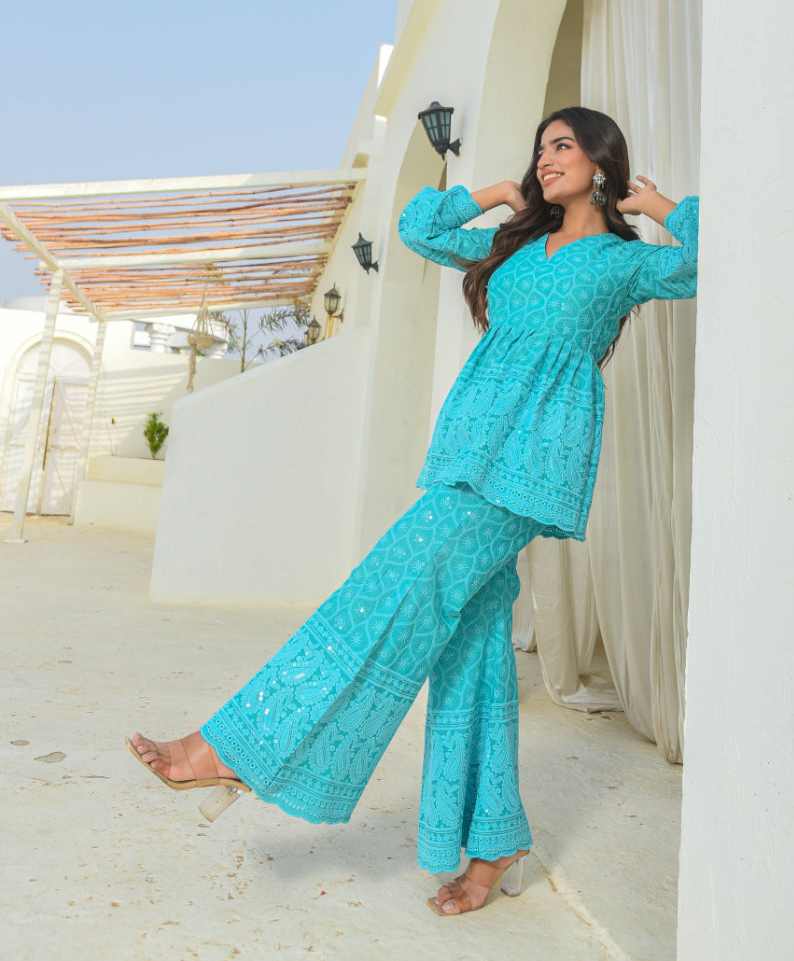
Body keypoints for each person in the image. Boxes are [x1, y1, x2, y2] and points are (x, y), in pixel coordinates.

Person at [128, 105, 699, 916]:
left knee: (382, 593)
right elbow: (419, 228)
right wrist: (495, 191)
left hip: (527, 470)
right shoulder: (518, 247)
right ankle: (495, 840)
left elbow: (709, 260)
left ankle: (237, 745)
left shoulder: (622, 262)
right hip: (465, 454)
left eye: (563, 146)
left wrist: (662, 208)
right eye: (540, 148)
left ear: (602, 162)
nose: (545, 159)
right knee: (473, 652)